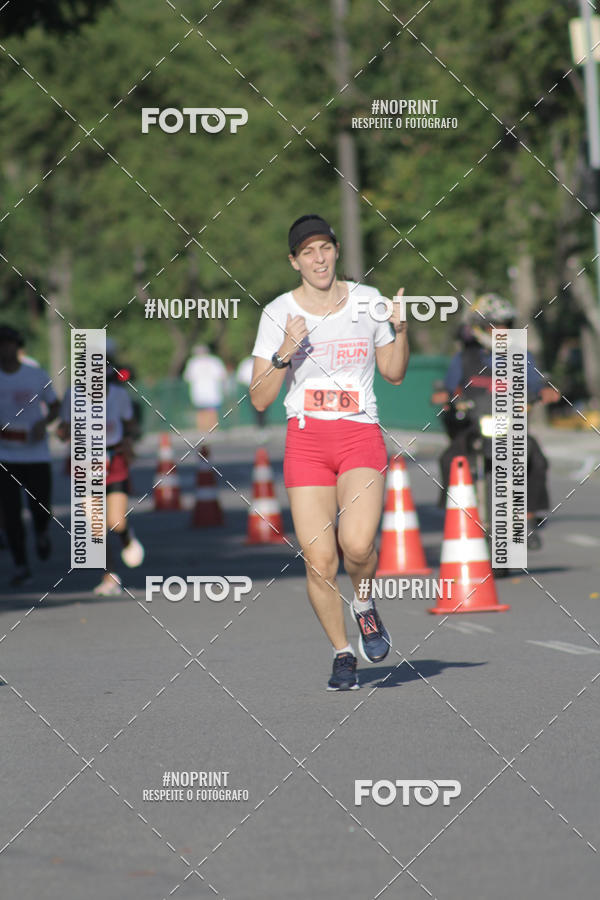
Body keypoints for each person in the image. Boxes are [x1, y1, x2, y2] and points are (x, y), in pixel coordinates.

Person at [250, 214, 409, 691]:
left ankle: (364, 603)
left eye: (325, 248)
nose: (318, 259)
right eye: (308, 252)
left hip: (359, 433)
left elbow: (395, 372)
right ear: (294, 261)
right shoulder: (278, 312)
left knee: (358, 544)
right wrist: (284, 351)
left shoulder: (369, 301)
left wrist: (400, 330)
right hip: (307, 439)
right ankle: (343, 654)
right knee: (319, 558)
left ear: (336, 251)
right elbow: (259, 398)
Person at [432, 294, 559, 549]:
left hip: (510, 426)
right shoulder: (464, 359)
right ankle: (454, 515)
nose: (500, 330)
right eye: (494, 325)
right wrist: (446, 396)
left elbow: (539, 384)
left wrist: (544, 392)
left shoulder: (521, 356)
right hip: (473, 426)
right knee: (450, 458)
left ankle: (528, 519)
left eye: (505, 325)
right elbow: (448, 388)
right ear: (478, 327)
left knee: (535, 456)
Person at [58, 358, 144, 595]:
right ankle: (110, 576)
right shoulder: (72, 396)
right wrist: (65, 433)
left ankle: (126, 537)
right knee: (97, 525)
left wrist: (129, 440)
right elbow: (63, 428)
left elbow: (131, 425)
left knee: (116, 521)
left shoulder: (118, 396)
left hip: (114, 461)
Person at [0, 324, 60, 586]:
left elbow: (55, 406)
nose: (4, 349)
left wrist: (43, 423)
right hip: (5, 455)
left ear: (18, 346)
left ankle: (42, 531)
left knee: (40, 507)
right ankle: (21, 564)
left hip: (36, 454)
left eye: (8, 343)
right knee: (10, 513)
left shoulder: (35, 375)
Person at [183, 343, 228, 434]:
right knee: (204, 411)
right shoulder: (194, 363)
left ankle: (208, 429)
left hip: (209, 390)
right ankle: (205, 429)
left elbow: (187, 377)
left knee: (209, 410)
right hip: (203, 391)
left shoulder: (197, 362)